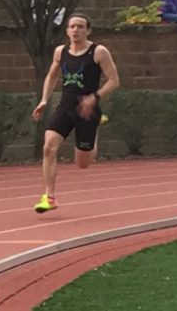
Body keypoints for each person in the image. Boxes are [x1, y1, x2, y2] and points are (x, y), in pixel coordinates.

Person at [31, 13, 120, 213]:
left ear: (88, 30)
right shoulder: (60, 52)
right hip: (65, 107)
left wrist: (94, 98)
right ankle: (49, 197)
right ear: (67, 30)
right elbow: (51, 76)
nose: (75, 30)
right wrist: (44, 99)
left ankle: (95, 129)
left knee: (82, 163)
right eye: (72, 26)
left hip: (88, 111)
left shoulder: (98, 52)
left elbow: (114, 81)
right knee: (48, 148)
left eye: (80, 27)